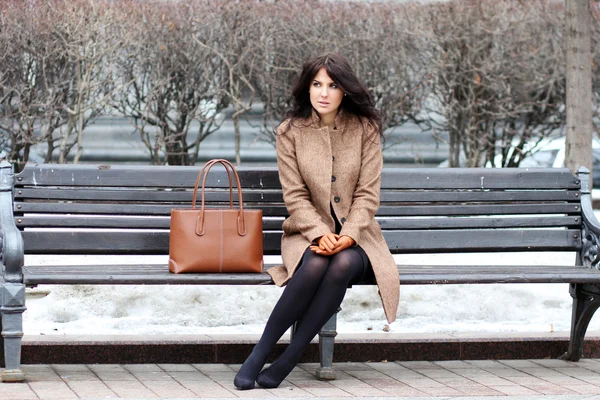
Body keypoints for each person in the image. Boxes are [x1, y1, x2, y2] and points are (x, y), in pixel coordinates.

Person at [233, 52, 399, 390]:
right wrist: (320, 233)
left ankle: (290, 357)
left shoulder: (365, 130)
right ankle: (260, 353)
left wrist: (349, 234)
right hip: (306, 233)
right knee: (315, 263)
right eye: (317, 84)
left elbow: (368, 195)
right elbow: (294, 196)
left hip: (360, 241)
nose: (323, 92)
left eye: (333, 85)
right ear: (307, 89)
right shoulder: (290, 132)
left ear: (345, 91)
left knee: (340, 264)